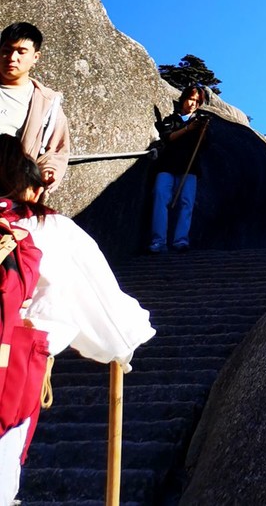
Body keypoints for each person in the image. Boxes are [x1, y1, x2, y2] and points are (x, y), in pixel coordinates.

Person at [0, 134, 155, 504]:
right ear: (33, 189)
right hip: (13, 364)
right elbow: (104, 309)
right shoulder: (49, 228)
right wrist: (123, 347)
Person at [0, 23, 69, 192]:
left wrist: (48, 171)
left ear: (35, 57)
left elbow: (56, 151)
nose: (12, 57)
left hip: (11, 191)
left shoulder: (46, 103)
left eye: (21, 52)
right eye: (7, 50)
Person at [149, 85, 209, 253]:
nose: (193, 104)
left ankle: (180, 241)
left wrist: (202, 130)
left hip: (190, 168)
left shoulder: (201, 123)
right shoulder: (171, 119)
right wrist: (188, 129)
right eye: (191, 99)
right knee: (160, 198)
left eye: (197, 102)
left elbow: (204, 144)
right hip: (167, 165)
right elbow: (168, 137)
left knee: (186, 203)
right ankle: (158, 242)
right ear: (183, 99)